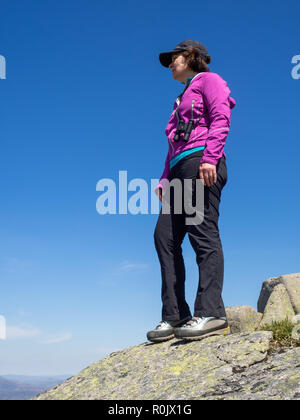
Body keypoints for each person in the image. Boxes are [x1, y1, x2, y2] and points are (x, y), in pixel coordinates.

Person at [147, 40, 236, 342]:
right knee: (165, 238)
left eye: (174, 57)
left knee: (202, 232)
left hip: (202, 163)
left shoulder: (209, 81)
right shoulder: (180, 97)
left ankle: (212, 313)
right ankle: (175, 316)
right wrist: (163, 179)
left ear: (191, 57)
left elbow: (221, 117)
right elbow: (173, 144)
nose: (171, 63)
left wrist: (211, 158)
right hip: (178, 172)